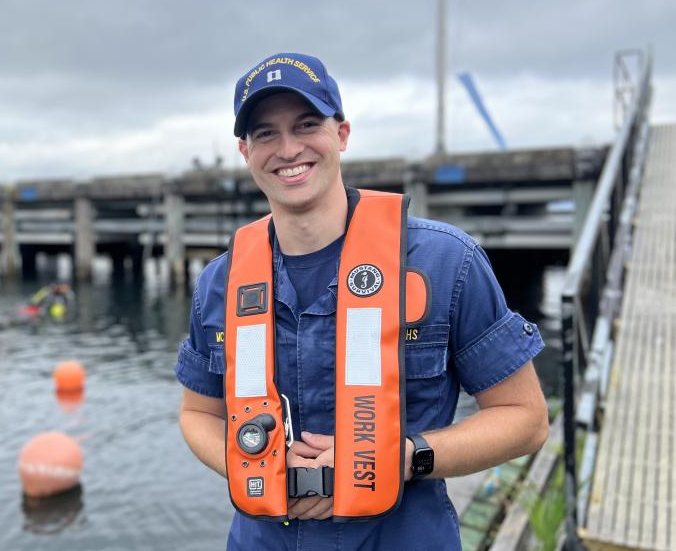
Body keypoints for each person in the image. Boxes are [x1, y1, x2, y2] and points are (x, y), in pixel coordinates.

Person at [174, 53, 549, 549]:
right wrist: (251, 465)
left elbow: (526, 419)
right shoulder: (219, 283)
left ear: (342, 133)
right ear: (245, 151)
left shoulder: (444, 262)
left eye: (307, 124)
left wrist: (402, 456)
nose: (288, 148)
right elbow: (197, 413)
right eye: (265, 133)